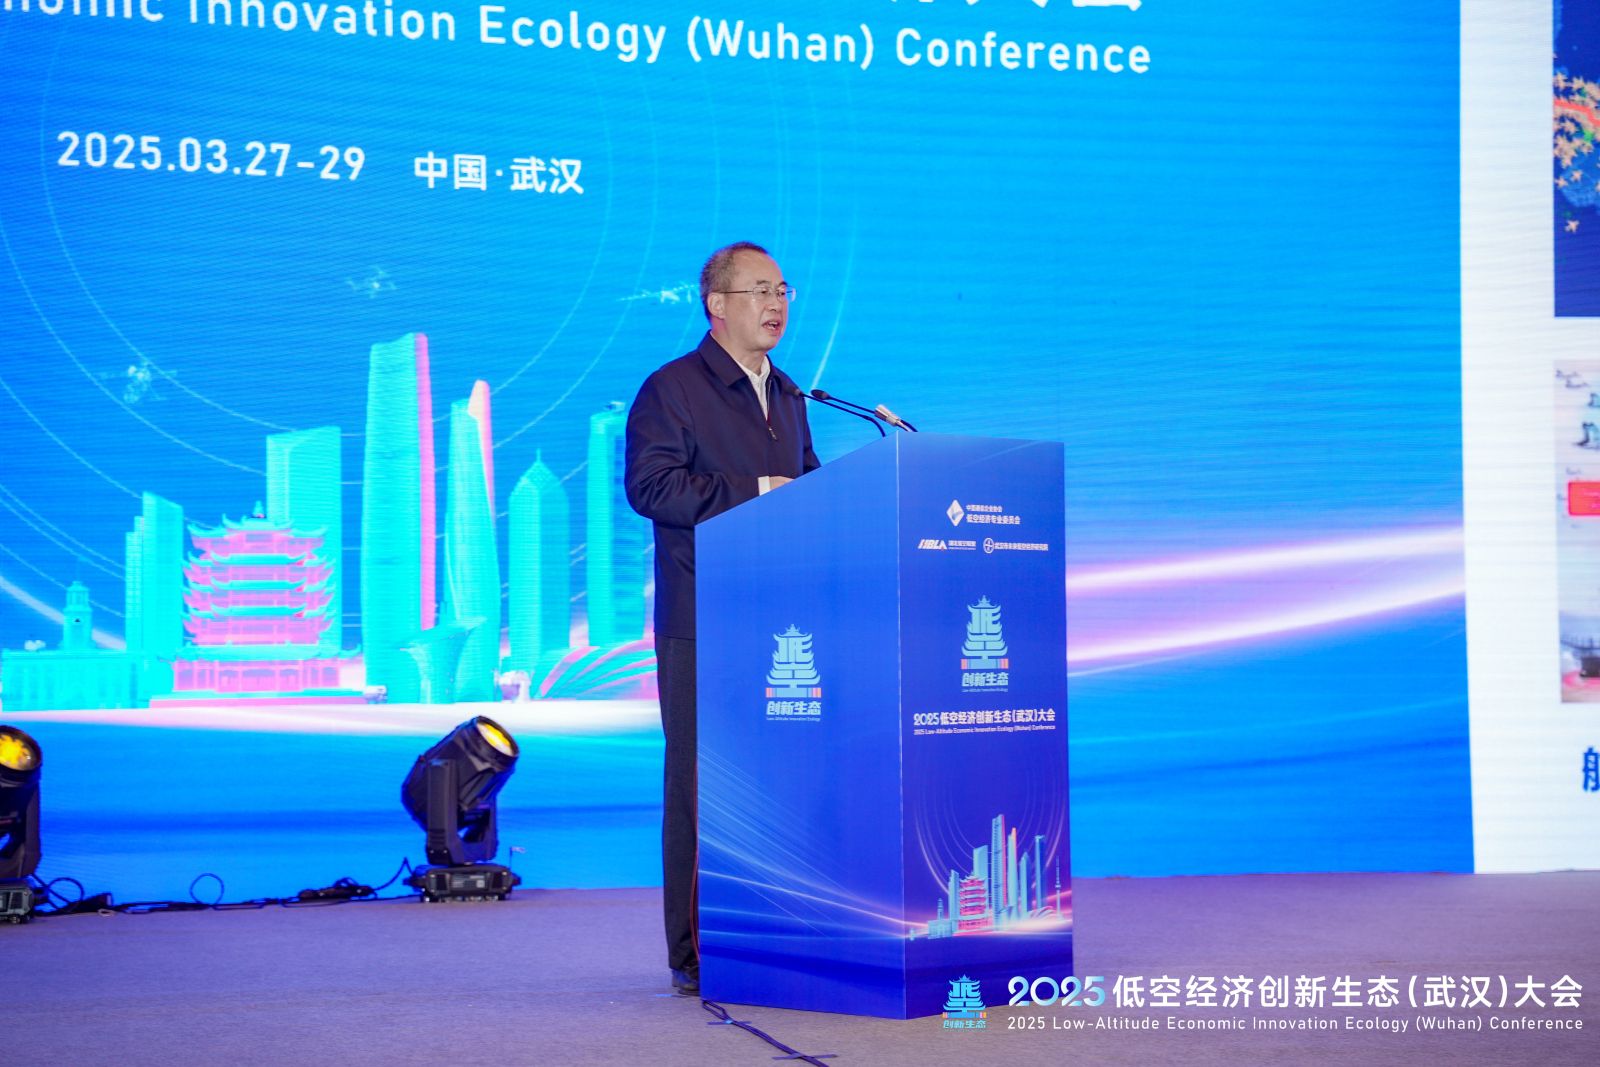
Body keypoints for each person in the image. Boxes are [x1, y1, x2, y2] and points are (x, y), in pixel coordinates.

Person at [624, 241, 820, 996]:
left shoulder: (791, 394)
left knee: (780, 780)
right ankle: (698, 951)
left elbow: (812, 492)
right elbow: (652, 488)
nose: (776, 304)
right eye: (760, 290)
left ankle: (774, 926)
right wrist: (758, 490)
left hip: (783, 622)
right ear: (717, 304)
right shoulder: (671, 388)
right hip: (703, 618)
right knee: (702, 784)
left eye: (783, 290)